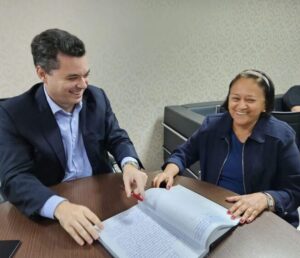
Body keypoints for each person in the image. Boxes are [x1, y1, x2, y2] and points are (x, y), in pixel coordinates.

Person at [0, 29, 148, 246]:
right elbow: (14, 177)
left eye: (86, 75)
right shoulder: (13, 113)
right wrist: (59, 207)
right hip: (50, 210)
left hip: (101, 197)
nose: (83, 85)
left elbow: (117, 137)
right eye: (72, 78)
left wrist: (130, 164)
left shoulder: (97, 97)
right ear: (42, 74)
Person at [153, 69, 300, 227]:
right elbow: (184, 153)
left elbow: (295, 190)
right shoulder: (212, 126)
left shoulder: (281, 136)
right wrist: (169, 171)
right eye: (235, 98)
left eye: (250, 100)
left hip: (261, 218)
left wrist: (266, 199)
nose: (241, 106)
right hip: (216, 211)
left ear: (265, 105)